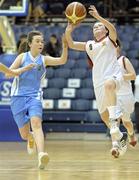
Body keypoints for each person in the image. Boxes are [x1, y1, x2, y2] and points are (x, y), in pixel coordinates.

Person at [65, 5, 127, 158]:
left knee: (109, 85)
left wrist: (98, 17)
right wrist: (68, 30)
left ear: (105, 30)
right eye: (94, 27)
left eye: (100, 26)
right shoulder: (90, 45)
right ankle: (118, 139)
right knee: (104, 116)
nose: (97, 27)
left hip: (113, 76)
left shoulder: (111, 39)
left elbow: (112, 28)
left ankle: (115, 134)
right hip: (97, 82)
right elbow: (72, 44)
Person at [8, 30, 68, 169]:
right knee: (24, 134)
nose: (41, 43)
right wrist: (24, 69)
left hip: (35, 96)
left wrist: (65, 46)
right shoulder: (22, 57)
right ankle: (30, 138)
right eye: (37, 41)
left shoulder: (44, 59)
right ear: (30, 44)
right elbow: (7, 74)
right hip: (18, 97)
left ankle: (41, 155)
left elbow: (62, 60)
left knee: (36, 123)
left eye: (42, 41)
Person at [102, 39, 137, 157]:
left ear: (118, 48)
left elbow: (132, 75)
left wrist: (120, 77)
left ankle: (131, 134)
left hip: (126, 96)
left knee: (127, 122)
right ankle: (115, 146)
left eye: (114, 46)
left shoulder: (123, 60)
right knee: (114, 121)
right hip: (114, 96)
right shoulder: (106, 64)